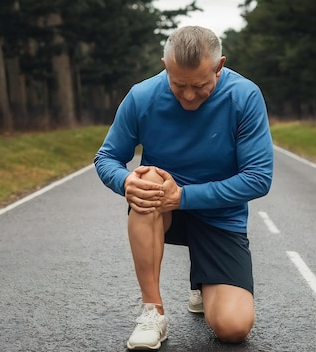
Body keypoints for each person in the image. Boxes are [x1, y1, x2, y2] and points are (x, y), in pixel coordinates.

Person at [94, 25, 273, 350]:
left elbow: (258, 178)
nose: (189, 95)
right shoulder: (142, 96)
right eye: (179, 85)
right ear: (166, 66)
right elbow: (106, 157)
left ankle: (204, 283)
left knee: (233, 328)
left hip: (217, 215)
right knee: (146, 181)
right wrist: (125, 182)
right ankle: (152, 313)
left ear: (219, 67)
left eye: (200, 85)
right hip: (161, 207)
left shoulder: (244, 96)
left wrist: (184, 196)